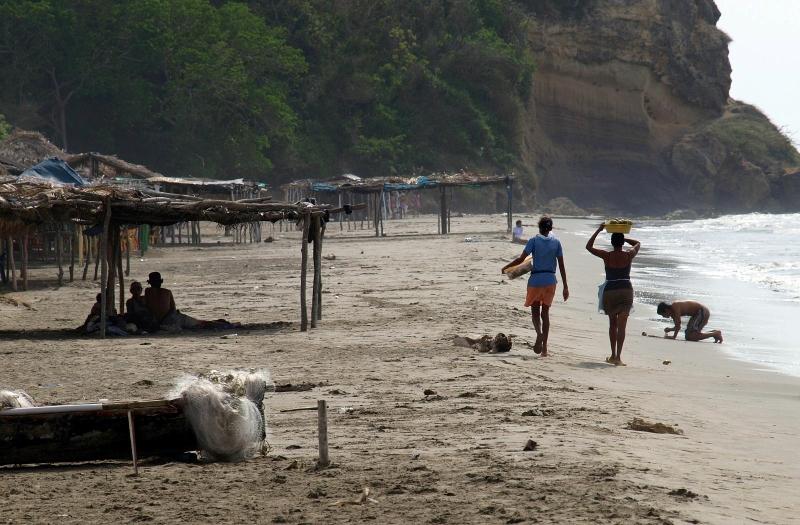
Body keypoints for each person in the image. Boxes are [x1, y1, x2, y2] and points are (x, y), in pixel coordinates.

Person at [502, 216, 569, 356]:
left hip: (536, 280)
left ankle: (539, 333)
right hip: (551, 280)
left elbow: (521, 259)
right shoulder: (556, 243)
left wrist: (507, 267)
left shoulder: (533, 241)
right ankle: (544, 349)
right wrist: (565, 287)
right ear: (550, 228)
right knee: (545, 313)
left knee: (535, 312)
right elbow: (561, 265)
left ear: (539, 228)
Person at [586, 225, 641, 365]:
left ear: (612, 243)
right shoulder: (629, 254)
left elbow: (589, 246)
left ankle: (612, 355)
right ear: (622, 243)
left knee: (613, 324)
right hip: (626, 290)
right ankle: (618, 358)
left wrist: (599, 230)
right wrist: (624, 237)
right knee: (622, 326)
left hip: (611, 291)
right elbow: (638, 243)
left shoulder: (607, 255)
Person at [657, 301, 722, 343]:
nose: (663, 316)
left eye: (663, 315)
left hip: (702, 311)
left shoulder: (675, 306)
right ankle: (714, 333)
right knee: (689, 335)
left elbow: (678, 324)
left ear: (666, 310)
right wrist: (670, 329)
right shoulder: (673, 314)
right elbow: (677, 326)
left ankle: (715, 333)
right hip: (698, 314)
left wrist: (674, 337)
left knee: (691, 336)